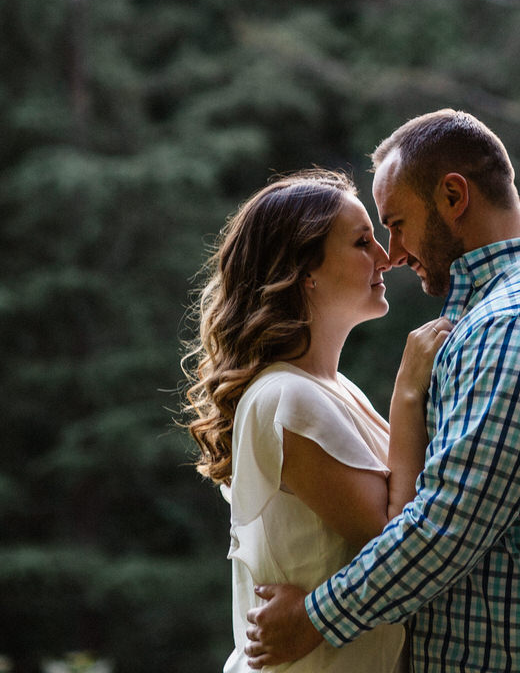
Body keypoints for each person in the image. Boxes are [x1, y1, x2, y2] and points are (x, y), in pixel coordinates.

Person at [243, 110, 520, 672]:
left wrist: (313, 619)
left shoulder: (519, 323)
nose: (396, 253)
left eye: (398, 224)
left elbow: (446, 527)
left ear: (454, 196)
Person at [182, 169, 451, 672]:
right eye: (361, 242)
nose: (387, 258)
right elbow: (400, 543)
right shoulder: (287, 400)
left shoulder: (330, 389)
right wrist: (409, 391)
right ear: (304, 270)